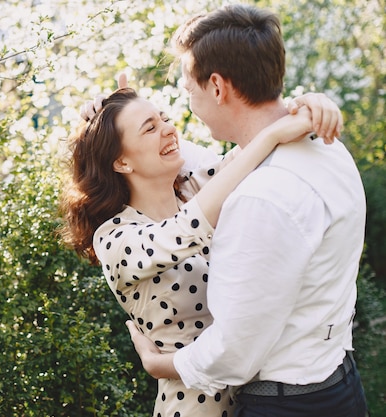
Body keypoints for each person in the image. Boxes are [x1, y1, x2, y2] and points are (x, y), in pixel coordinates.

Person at [122, 4, 368, 417]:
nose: (189, 105)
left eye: (188, 90)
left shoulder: (260, 197)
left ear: (217, 87)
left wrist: (159, 365)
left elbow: (234, 353)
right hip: (340, 384)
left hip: (288, 406)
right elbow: (193, 161)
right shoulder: (327, 146)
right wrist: (116, 122)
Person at [60, 83, 340, 417]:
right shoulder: (115, 238)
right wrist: (271, 136)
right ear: (121, 162)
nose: (168, 129)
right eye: (150, 128)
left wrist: (311, 105)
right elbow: (187, 228)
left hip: (260, 397)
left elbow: (254, 146)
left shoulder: (191, 190)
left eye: (164, 118)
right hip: (196, 406)